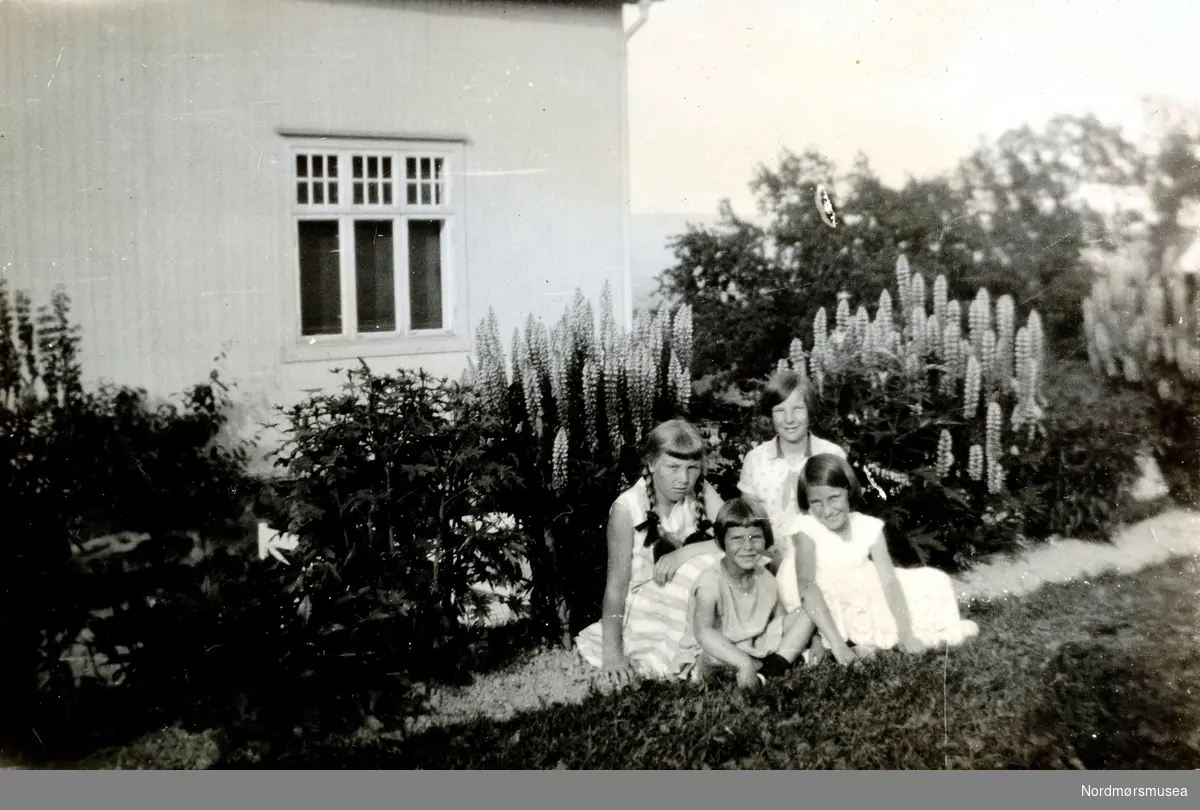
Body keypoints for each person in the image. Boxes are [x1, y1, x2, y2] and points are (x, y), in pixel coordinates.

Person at [776, 454, 980, 656]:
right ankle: (852, 641)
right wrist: (838, 646)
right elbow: (807, 587)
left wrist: (906, 632)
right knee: (864, 618)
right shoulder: (807, 529)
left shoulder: (867, 527)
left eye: (834, 498)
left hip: (865, 586)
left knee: (935, 580)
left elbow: (889, 581)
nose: (827, 510)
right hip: (824, 600)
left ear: (848, 491)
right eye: (816, 503)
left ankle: (912, 636)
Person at [574, 419, 728, 680]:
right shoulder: (628, 509)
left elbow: (736, 534)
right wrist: (612, 653)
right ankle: (699, 656)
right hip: (651, 603)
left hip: (692, 592)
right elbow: (616, 585)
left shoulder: (699, 489)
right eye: (673, 467)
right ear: (652, 463)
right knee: (703, 572)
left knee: (729, 562)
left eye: (692, 468)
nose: (683, 479)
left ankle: (726, 645)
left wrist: (685, 553)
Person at [673, 498, 860, 688]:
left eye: (755, 537)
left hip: (755, 645)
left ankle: (769, 670)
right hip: (718, 650)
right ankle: (776, 666)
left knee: (807, 613)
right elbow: (704, 633)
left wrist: (815, 640)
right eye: (737, 538)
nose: (748, 546)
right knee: (712, 658)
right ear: (722, 542)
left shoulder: (765, 577)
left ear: (766, 539)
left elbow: (780, 624)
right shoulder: (709, 583)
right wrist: (743, 663)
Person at [737, 369, 847, 535]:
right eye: (780, 411)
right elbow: (748, 521)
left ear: (809, 410)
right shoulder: (756, 459)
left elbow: (843, 517)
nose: (789, 419)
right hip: (768, 554)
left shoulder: (832, 455)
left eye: (797, 409)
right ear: (770, 414)